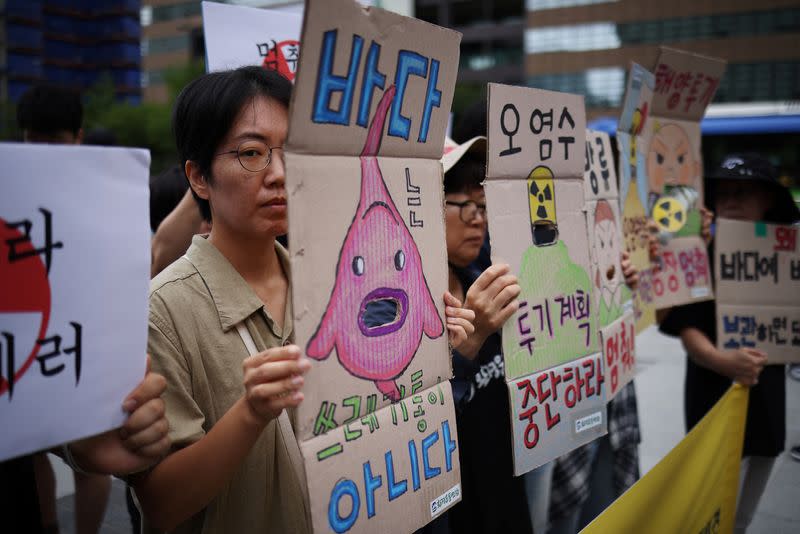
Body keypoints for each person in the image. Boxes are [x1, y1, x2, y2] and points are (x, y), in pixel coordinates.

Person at [132, 66, 473, 533]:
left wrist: (432, 348)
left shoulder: (335, 281)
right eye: (251, 153)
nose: (279, 174)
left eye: (292, 152)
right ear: (199, 178)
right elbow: (161, 504)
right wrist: (251, 414)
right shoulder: (162, 311)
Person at [659, 153, 800, 534]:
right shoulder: (698, 253)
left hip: (767, 408)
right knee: (709, 518)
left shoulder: (788, 255)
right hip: (713, 406)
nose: (731, 202)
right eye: (723, 194)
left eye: (743, 192)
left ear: (767, 201)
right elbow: (685, 327)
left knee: (741, 520)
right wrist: (721, 360)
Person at [16, 83, 114, 534]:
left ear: (77, 137)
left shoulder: (104, 190)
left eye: (52, 140)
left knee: (89, 453)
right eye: (35, 140)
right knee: (30, 444)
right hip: (29, 328)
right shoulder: (11, 186)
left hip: (85, 334)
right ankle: (50, 525)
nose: (43, 151)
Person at [438, 136, 532, 534]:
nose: (479, 219)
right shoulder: (397, 317)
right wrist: (469, 340)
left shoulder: (485, 283)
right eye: (464, 205)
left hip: (506, 490)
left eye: (483, 207)